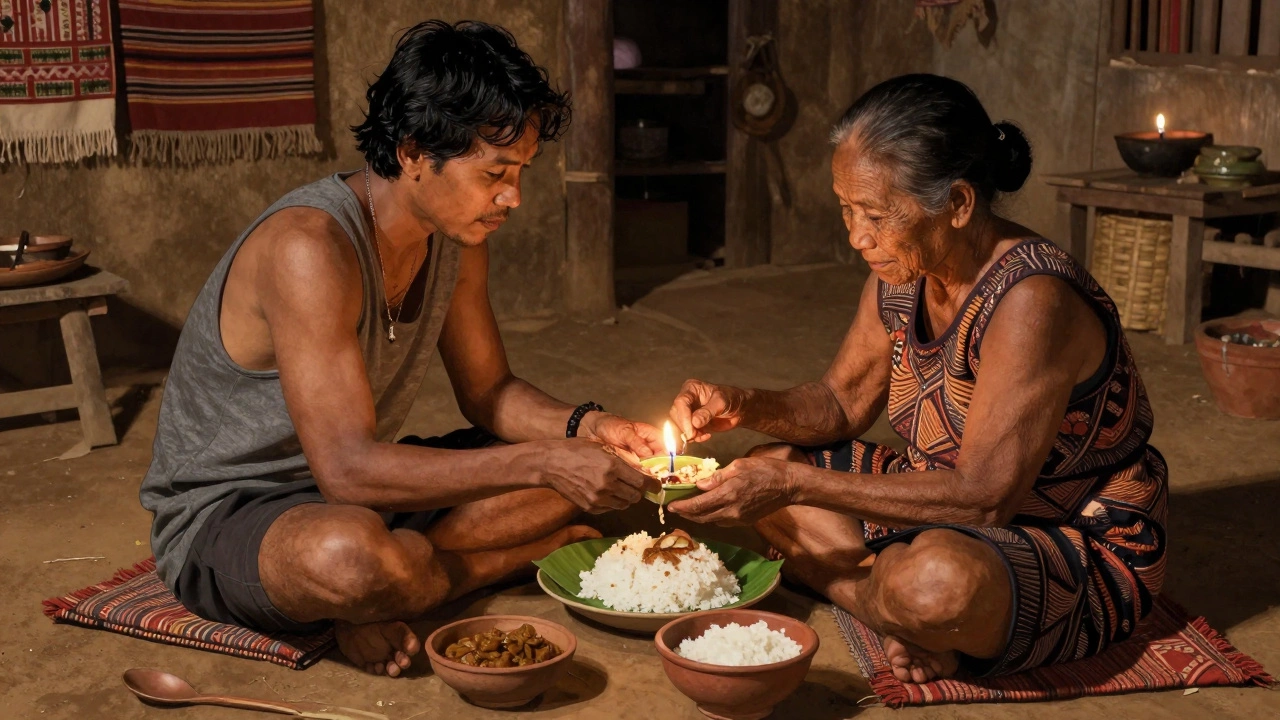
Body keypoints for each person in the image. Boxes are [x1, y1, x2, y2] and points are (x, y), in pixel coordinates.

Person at [140, 20, 662, 678]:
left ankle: (405, 579)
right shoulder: (310, 248)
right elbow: (348, 472)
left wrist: (590, 429)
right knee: (351, 558)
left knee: (597, 466)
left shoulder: (458, 235)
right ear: (414, 150)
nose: (514, 197)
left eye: (522, 172)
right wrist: (546, 462)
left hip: (367, 494)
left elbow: (489, 392)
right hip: (237, 512)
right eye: (496, 173)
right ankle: (471, 564)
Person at [666, 74, 1167, 682]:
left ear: (957, 204)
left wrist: (793, 486)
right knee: (765, 458)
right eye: (847, 209)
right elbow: (839, 403)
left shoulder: (1031, 301)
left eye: (876, 214)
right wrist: (741, 403)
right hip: (936, 498)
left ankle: (884, 596)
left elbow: (985, 498)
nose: (857, 236)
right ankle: (887, 604)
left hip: (1069, 533)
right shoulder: (902, 273)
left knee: (935, 585)